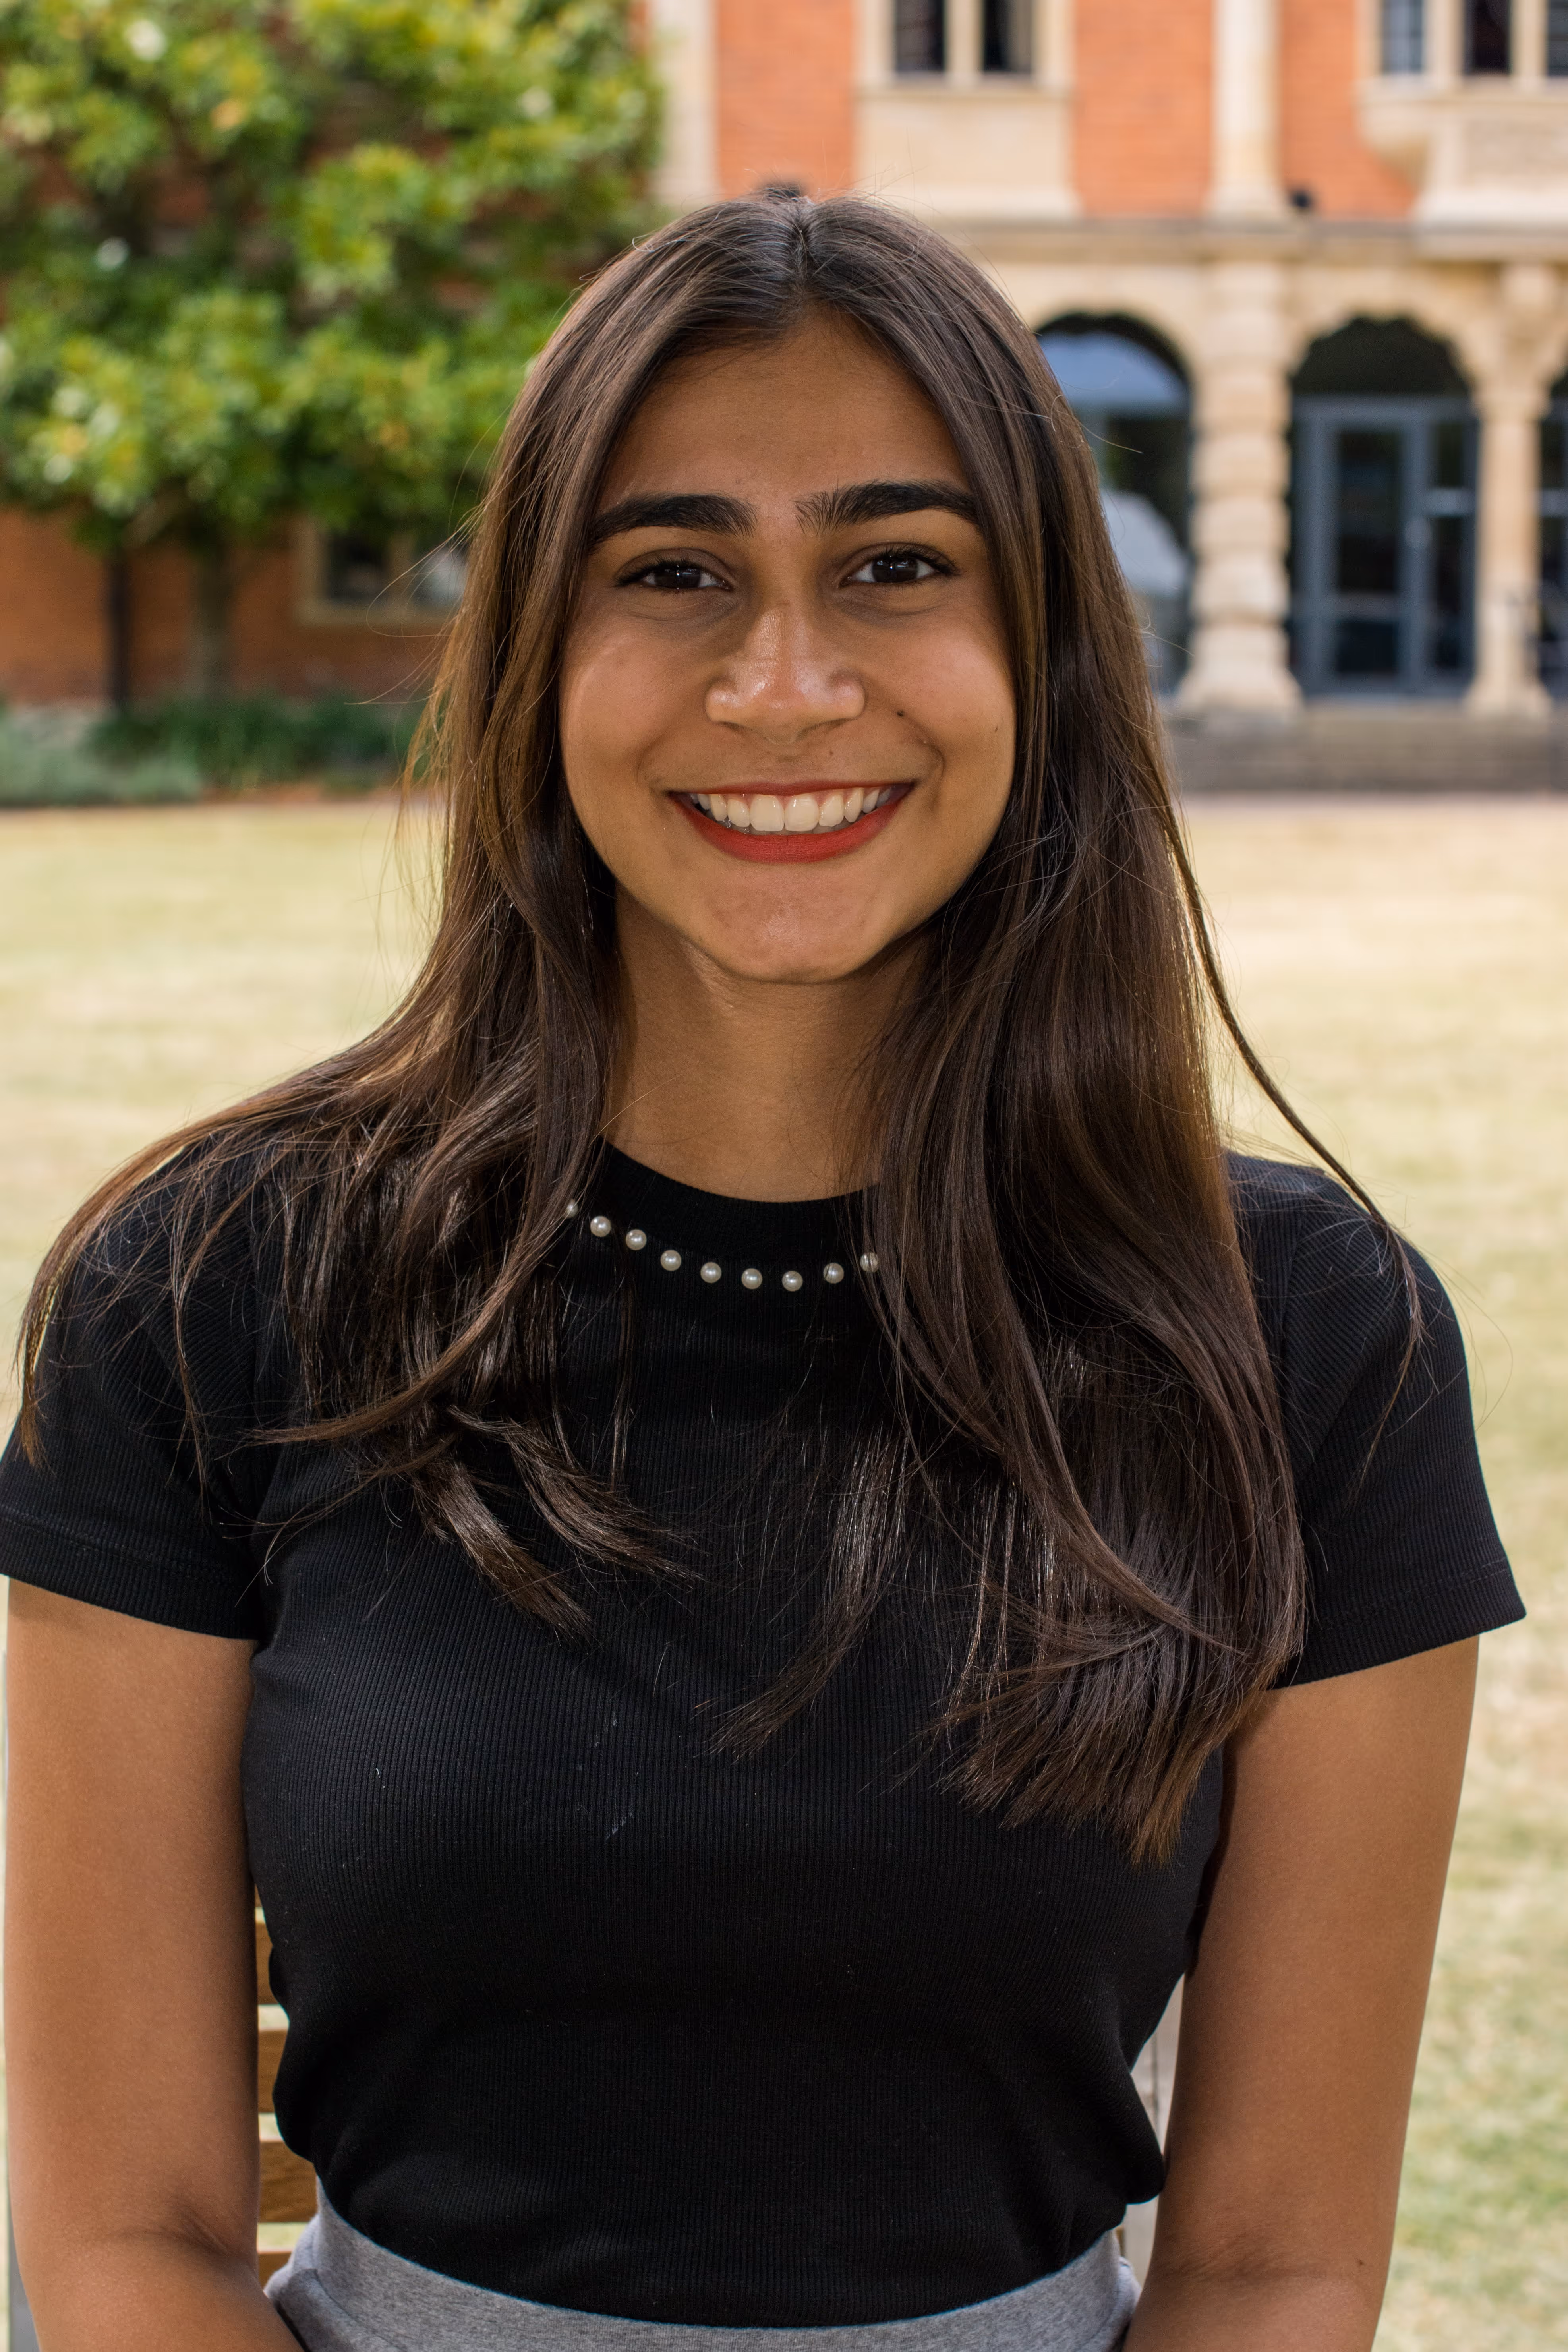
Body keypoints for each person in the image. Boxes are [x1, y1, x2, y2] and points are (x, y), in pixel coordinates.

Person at [0, 193, 1521, 2352]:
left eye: (895, 567)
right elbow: (130, 2236)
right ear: (537, 654)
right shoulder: (209, 1292)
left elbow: (1278, 2266)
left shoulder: (1310, 1340)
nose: (784, 685)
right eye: (674, 572)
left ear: (1041, 651)